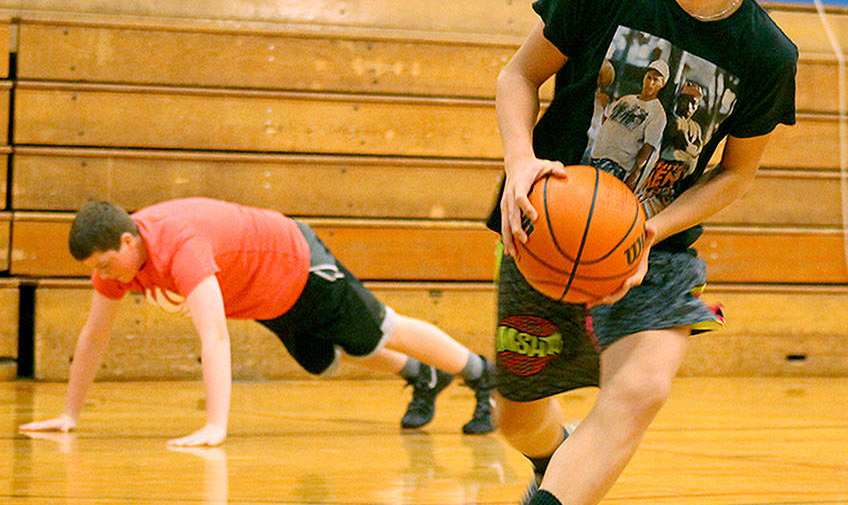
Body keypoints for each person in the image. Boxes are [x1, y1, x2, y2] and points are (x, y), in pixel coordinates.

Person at [490, 0, 815, 505]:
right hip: (544, 225)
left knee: (641, 387)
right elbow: (517, 77)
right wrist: (519, 162)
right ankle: (556, 463)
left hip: (658, 248)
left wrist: (648, 228)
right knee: (514, 415)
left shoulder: (768, 54)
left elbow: (735, 174)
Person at [19, 198, 497, 446]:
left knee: (382, 329)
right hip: (268, 299)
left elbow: (215, 337)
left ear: (127, 242)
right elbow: (93, 335)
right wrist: (70, 414)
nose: (101, 277)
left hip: (299, 266)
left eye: (104, 264)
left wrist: (215, 425)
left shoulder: (179, 245)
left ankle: (482, 376)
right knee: (329, 356)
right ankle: (423, 375)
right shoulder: (120, 267)